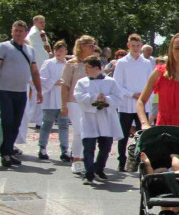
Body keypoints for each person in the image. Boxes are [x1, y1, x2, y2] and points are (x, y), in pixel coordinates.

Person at [0, 21, 42, 167]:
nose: (18, 33)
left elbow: (35, 72)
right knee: (7, 122)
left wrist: (39, 91)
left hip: (21, 91)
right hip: (5, 90)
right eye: (16, 30)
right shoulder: (3, 47)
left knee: (16, 123)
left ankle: (9, 150)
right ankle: (4, 153)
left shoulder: (30, 50)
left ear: (25, 33)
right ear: (12, 32)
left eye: (21, 31)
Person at [136, 32, 179, 135]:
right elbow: (141, 101)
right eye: (177, 48)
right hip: (163, 130)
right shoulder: (159, 73)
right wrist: (145, 123)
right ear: (171, 50)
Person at [74, 57, 124, 184]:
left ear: (97, 68)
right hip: (89, 118)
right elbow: (78, 97)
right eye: (84, 67)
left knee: (105, 147)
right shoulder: (82, 82)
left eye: (88, 67)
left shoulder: (110, 82)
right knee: (88, 147)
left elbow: (118, 96)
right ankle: (89, 173)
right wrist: (95, 97)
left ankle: (99, 168)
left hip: (106, 118)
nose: (85, 70)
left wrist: (106, 99)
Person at [112, 33, 155, 171]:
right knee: (123, 135)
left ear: (141, 46)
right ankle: (121, 160)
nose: (136, 48)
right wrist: (131, 94)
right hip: (126, 104)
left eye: (138, 46)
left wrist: (144, 95)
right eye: (133, 46)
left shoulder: (147, 63)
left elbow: (151, 82)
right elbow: (117, 83)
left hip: (142, 104)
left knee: (143, 134)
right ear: (128, 46)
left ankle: (140, 161)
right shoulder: (122, 62)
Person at [61, 36, 98, 174]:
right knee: (78, 130)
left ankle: (82, 158)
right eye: (90, 45)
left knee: (87, 131)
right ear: (81, 46)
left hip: (89, 102)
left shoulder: (94, 64)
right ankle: (76, 159)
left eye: (94, 45)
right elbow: (65, 85)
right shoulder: (72, 64)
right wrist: (63, 105)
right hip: (74, 101)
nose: (92, 48)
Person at [37, 40, 71, 162]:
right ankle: (42, 148)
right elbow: (42, 79)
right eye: (56, 50)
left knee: (63, 125)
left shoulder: (68, 65)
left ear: (66, 52)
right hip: (50, 99)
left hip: (63, 101)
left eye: (61, 50)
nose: (58, 52)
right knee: (47, 124)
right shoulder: (48, 63)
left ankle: (64, 150)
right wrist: (56, 82)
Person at [25, 15, 51, 128]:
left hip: (43, 67)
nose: (43, 24)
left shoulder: (42, 33)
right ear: (35, 22)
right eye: (40, 22)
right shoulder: (33, 34)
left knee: (40, 95)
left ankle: (36, 120)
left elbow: (45, 47)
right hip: (37, 69)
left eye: (44, 22)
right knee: (37, 94)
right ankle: (34, 119)